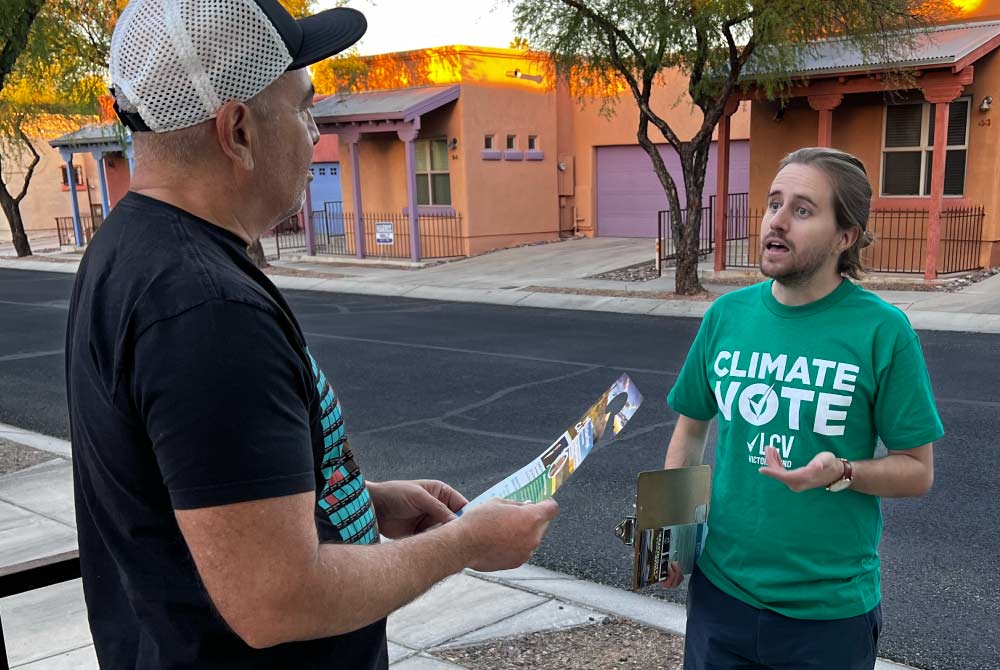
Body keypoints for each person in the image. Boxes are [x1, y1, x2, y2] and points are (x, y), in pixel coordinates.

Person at [65, 2, 558, 668]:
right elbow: (278, 599)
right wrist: (464, 544)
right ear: (237, 130)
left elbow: (203, 495)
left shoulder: (132, 249)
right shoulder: (206, 311)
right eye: (302, 108)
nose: (314, 130)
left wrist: (363, 500)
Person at [660, 147, 943, 670]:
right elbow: (692, 430)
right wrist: (672, 532)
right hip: (721, 597)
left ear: (845, 237)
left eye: (803, 210)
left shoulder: (883, 332)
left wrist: (843, 472)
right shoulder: (726, 316)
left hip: (828, 616)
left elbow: (917, 470)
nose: (778, 221)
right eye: (774, 204)